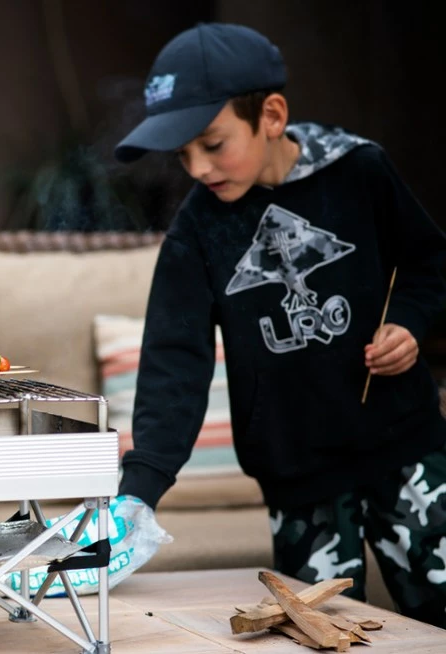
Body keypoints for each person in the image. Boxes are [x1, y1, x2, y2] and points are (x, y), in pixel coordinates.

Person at [113, 23, 446, 626]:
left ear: (271, 115)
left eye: (212, 144)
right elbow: (174, 360)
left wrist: (408, 322)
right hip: (297, 477)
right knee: (319, 631)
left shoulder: (360, 169)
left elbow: (429, 262)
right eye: (183, 153)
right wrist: (140, 489)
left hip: (407, 449)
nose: (197, 168)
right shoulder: (197, 229)